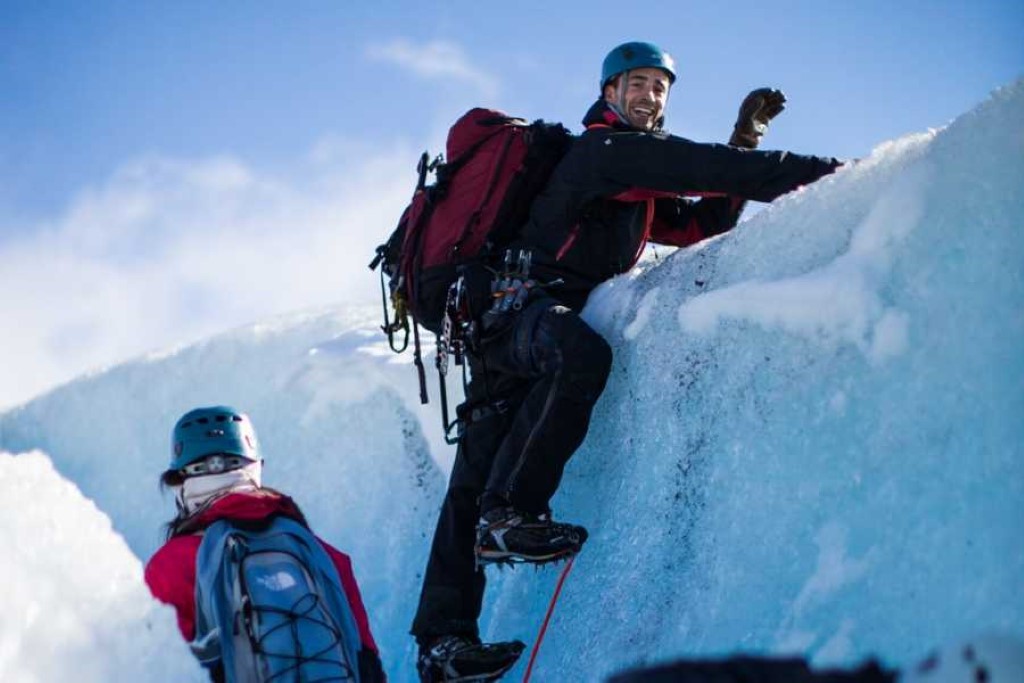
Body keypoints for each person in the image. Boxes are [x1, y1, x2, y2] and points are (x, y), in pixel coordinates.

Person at [412, 40, 844, 682]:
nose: (650, 96)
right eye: (636, 84)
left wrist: (744, 138)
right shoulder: (605, 151)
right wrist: (846, 172)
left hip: (505, 321)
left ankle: (444, 640)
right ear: (609, 92)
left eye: (660, 87)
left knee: (473, 475)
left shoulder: (632, 176)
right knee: (576, 357)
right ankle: (507, 519)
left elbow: (699, 225)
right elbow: (716, 170)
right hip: (514, 313)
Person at [145, 405, 385, 682]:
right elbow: (367, 662)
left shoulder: (172, 564)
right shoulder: (323, 553)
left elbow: (159, 669)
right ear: (255, 467)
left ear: (181, 483)